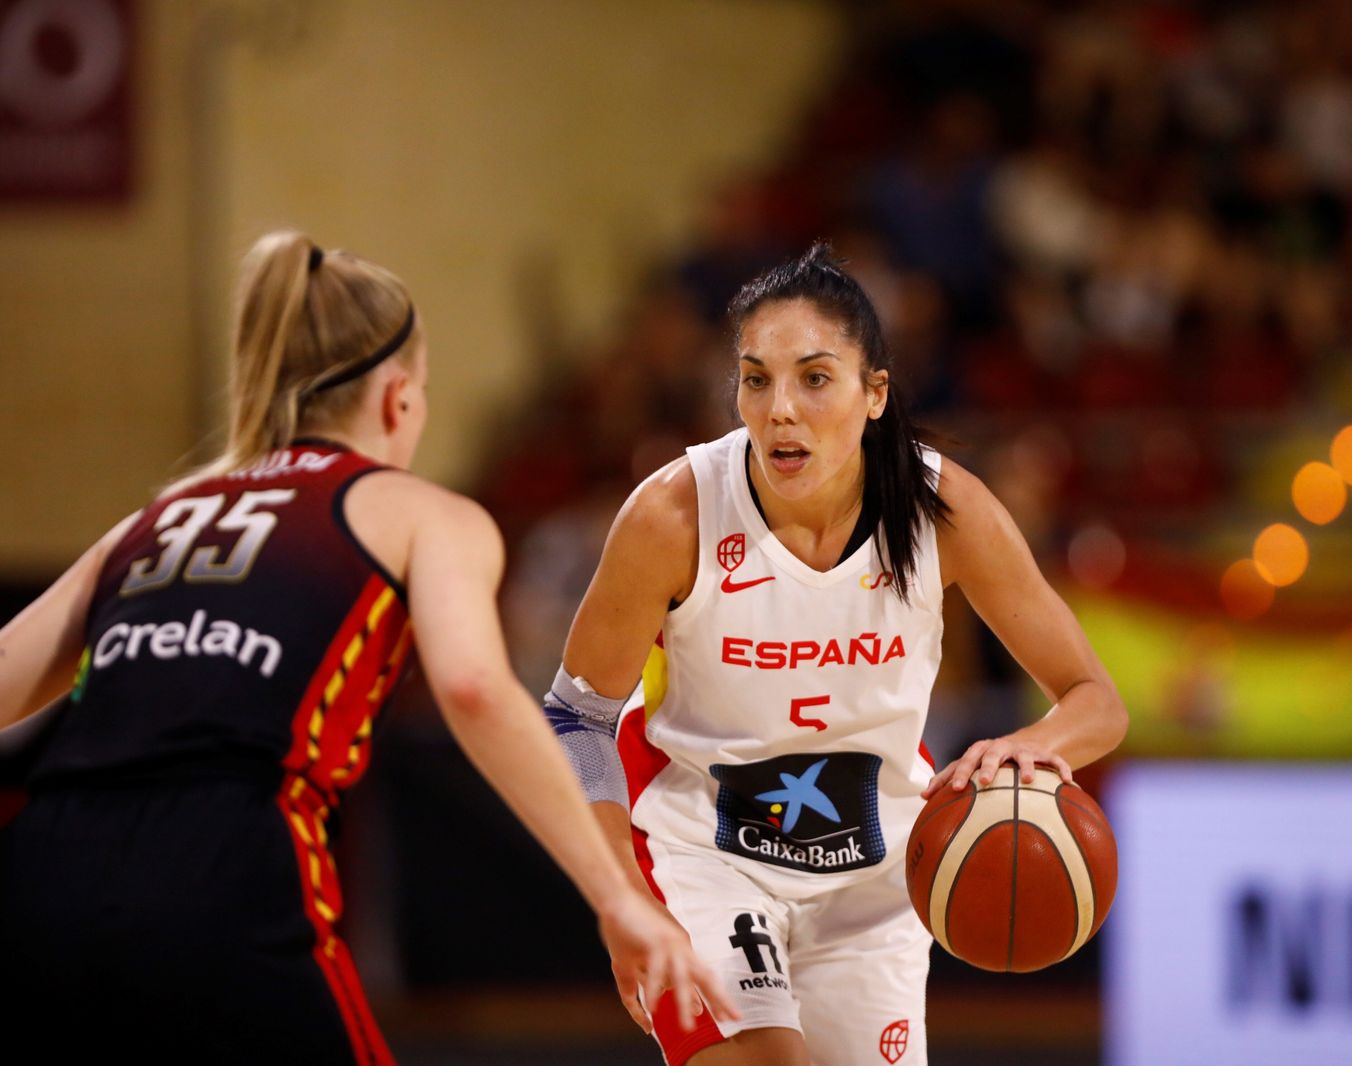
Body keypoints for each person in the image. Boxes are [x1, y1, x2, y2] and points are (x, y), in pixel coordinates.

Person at [0, 230, 735, 1062]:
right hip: (229, 860)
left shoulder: (154, 519)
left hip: (40, 873)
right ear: (398, 398)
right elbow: (471, 688)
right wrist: (617, 898)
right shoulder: (418, 511)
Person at [543, 242, 1126, 1066]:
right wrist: (621, 904)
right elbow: (576, 716)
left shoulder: (942, 510)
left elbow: (1096, 701)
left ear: (874, 392)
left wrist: (1029, 749)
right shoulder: (673, 516)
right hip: (703, 857)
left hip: (874, 879)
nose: (780, 407)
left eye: (814, 378)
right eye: (755, 378)